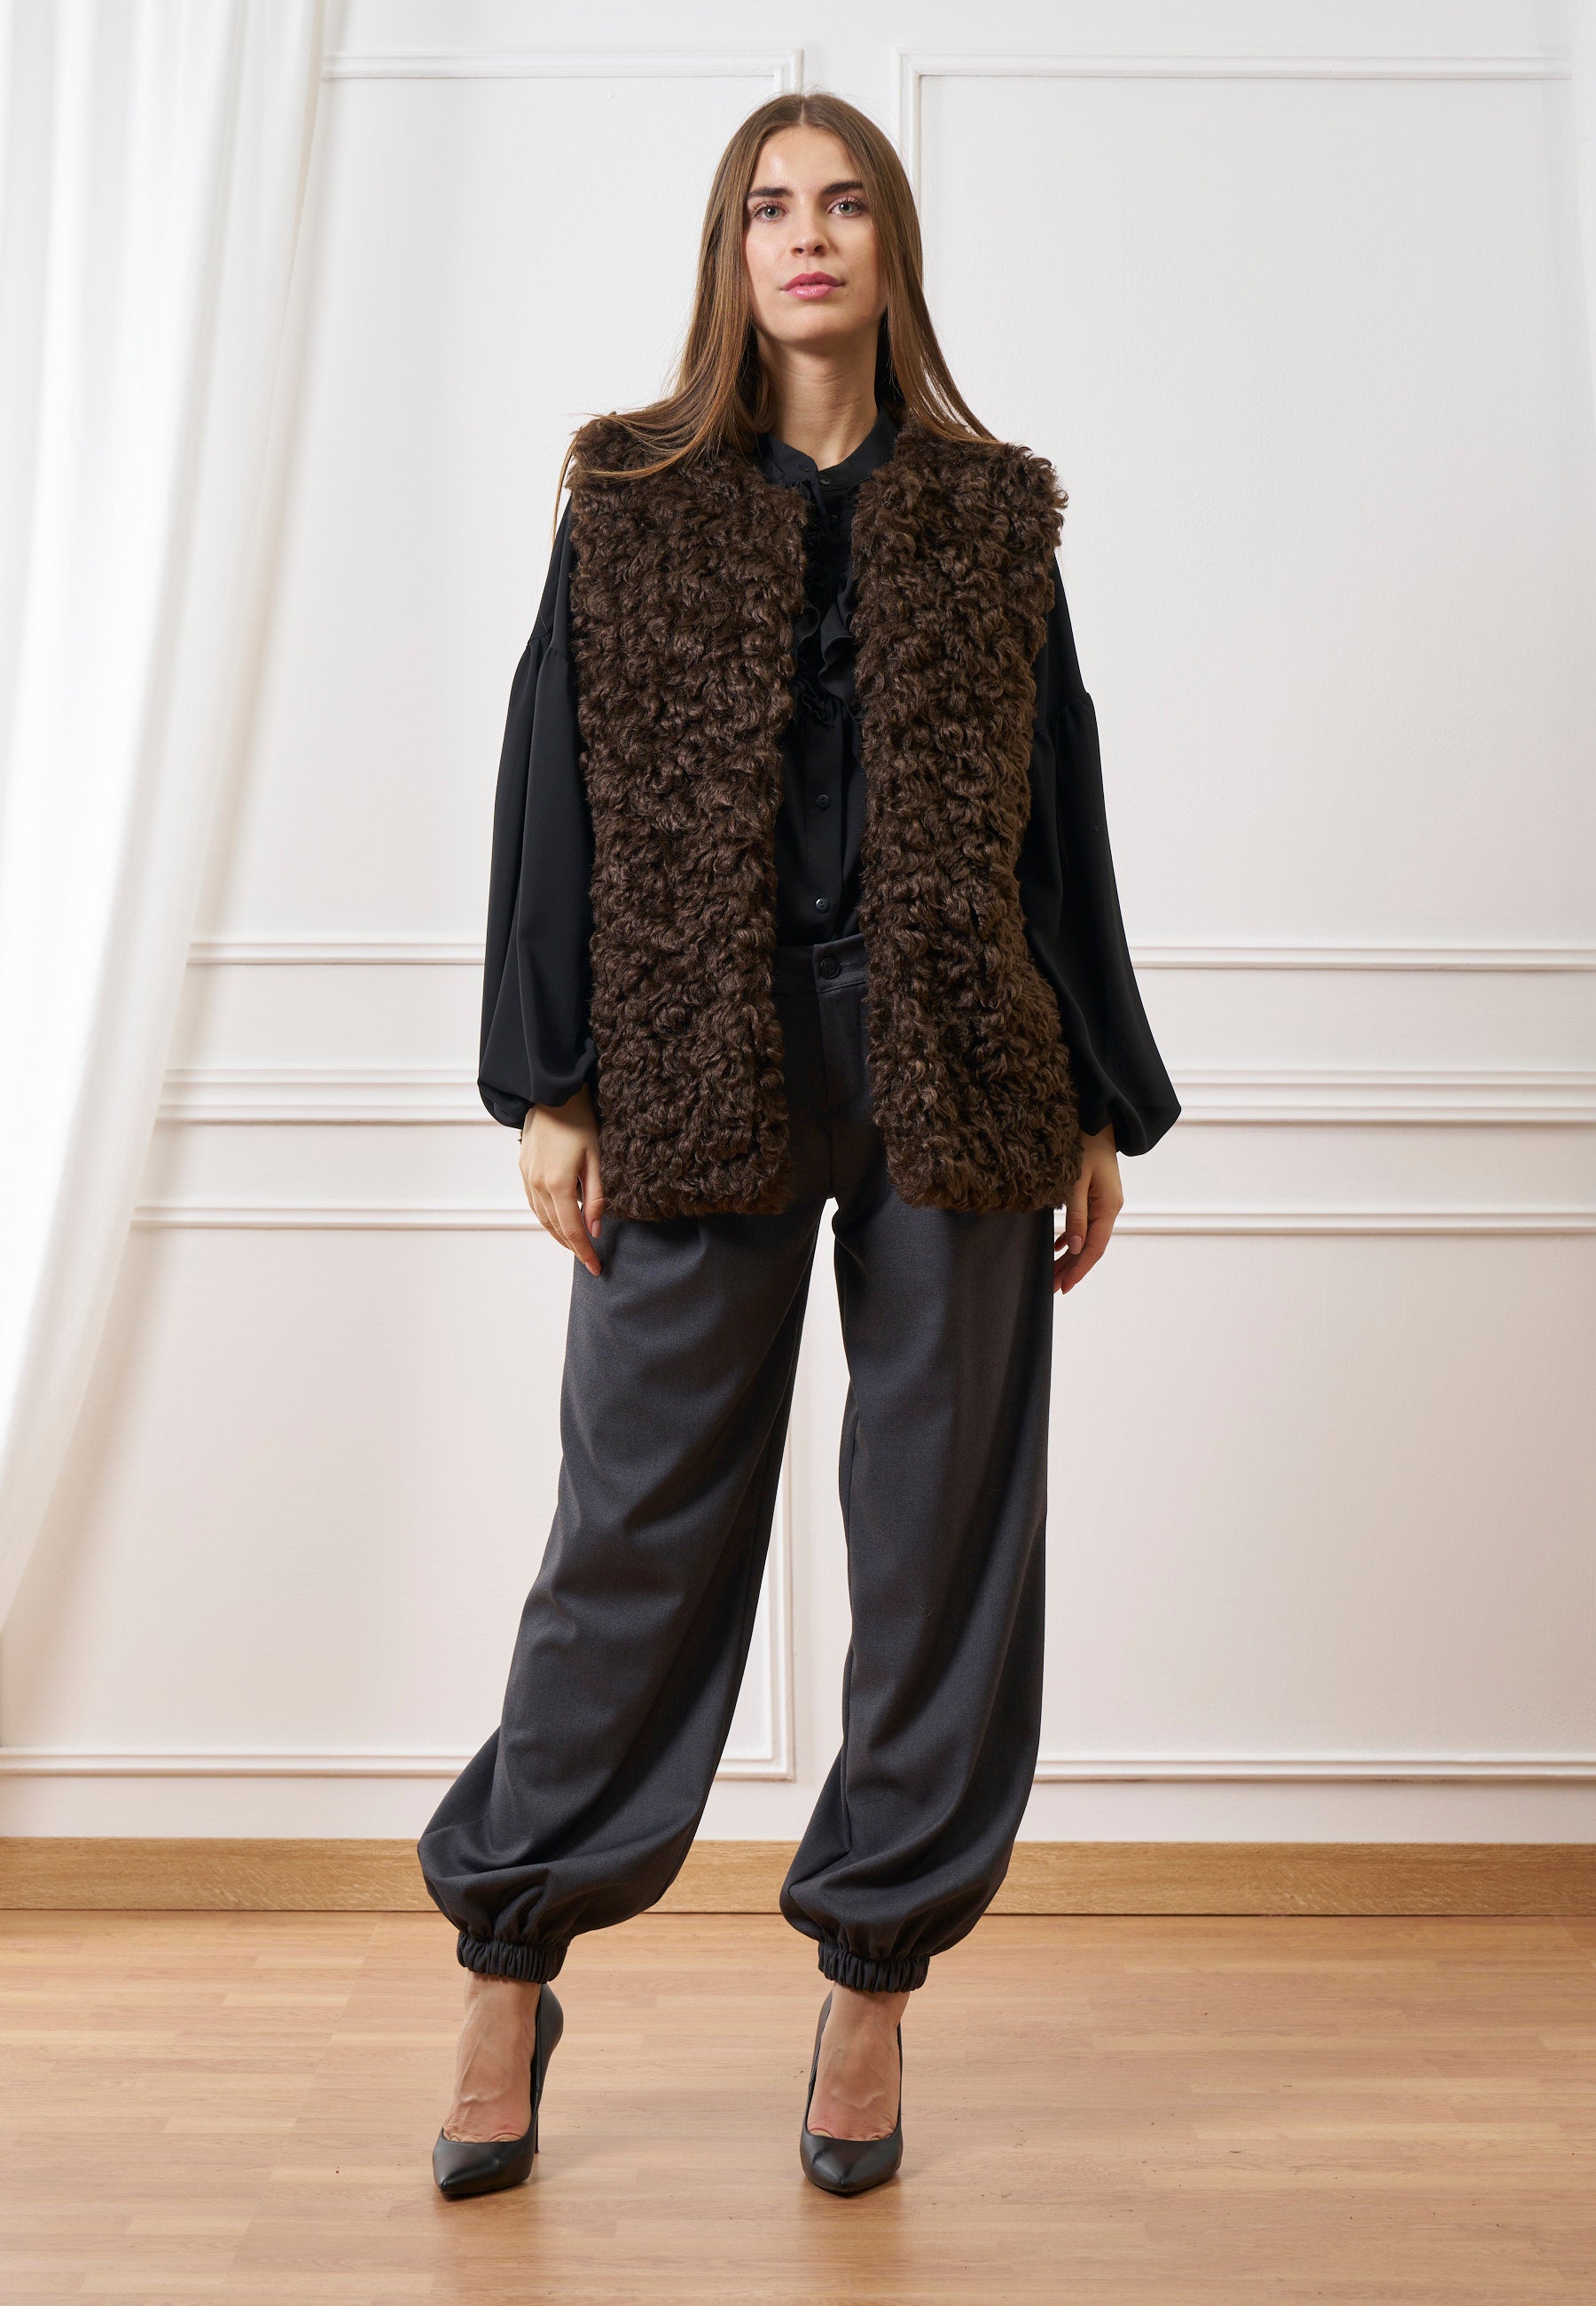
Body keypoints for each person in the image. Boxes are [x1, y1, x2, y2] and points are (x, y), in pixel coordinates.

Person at [419, 88, 1179, 2202]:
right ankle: (510, 1954)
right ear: (731, 252)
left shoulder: (992, 514)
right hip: (695, 1059)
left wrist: (1095, 1092)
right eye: (772, 207)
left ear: (890, 246)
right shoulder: (630, 497)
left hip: (958, 1062)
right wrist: (551, 1081)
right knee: (636, 1531)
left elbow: (1058, 809)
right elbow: (548, 793)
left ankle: (872, 1976)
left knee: (939, 1538)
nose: (809, 235)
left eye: (844, 204)